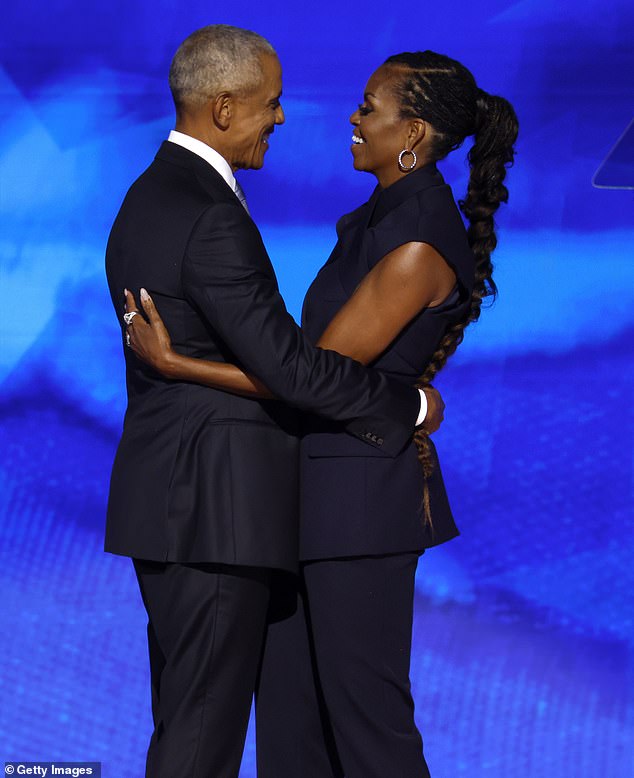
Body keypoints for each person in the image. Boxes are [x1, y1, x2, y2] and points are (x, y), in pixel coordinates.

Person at [124, 50, 518, 776]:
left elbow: (308, 375)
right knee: (291, 728)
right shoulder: (377, 220)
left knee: (366, 726)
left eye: (370, 106)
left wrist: (177, 364)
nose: (353, 116)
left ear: (415, 132)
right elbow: (305, 367)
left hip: (358, 508)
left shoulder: (416, 242)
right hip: (307, 501)